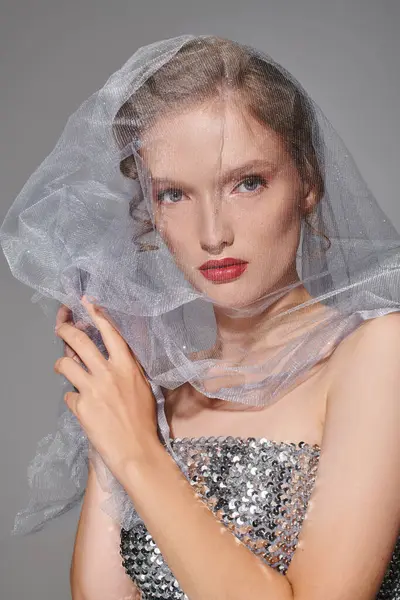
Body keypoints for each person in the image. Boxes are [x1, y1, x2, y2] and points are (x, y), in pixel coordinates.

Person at [1, 35, 400, 599]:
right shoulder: (160, 395)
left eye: (248, 182)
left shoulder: (380, 353)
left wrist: (140, 450)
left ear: (308, 182)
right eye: (174, 195)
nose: (213, 233)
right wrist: (115, 431)